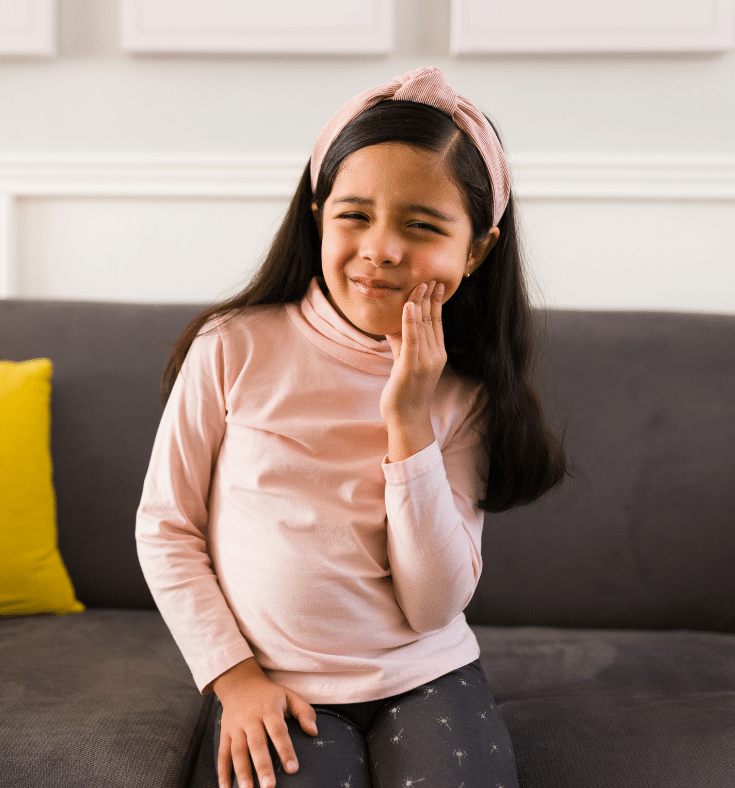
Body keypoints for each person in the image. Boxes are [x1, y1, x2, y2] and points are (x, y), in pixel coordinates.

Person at [136, 66, 566, 788]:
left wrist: (408, 419)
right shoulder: (232, 347)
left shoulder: (465, 394)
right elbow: (166, 529)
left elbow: (432, 605)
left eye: (423, 226)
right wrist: (235, 679)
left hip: (425, 672)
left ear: (478, 249)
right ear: (317, 210)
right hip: (273, 677)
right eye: (355, 215)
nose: (383, 248)